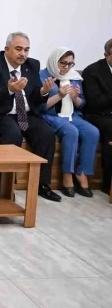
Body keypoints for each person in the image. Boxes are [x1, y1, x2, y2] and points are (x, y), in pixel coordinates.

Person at [0, 32, 60, 202]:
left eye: (26, 50)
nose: (23, 54)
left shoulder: (32, 65)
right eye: (18, 49)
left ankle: (42, 184)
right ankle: (5, 186)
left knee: (46, 134)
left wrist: (43, 92)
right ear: (7, 49)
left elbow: (35, 95)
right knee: (12, 134)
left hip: (26, 113)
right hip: (2, 113)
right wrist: (9, 90)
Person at [40, 48, 98, 197]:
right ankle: (67, 175)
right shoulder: (43, 76)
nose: (66, 67)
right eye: (63, 63)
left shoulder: (75, 77)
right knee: (71, 131)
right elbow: (41, 106)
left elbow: (81, 104)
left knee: (92, 132)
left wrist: (75, 97)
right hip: (51, 115)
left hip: (73, 115)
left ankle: (82, 172)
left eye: (70, 64)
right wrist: (59, 95)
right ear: (55, 61)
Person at [82, 38, 112, 194]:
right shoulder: (92, 71)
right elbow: (95, 103)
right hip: (98, 115)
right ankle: (108, 183)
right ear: (106, 55)